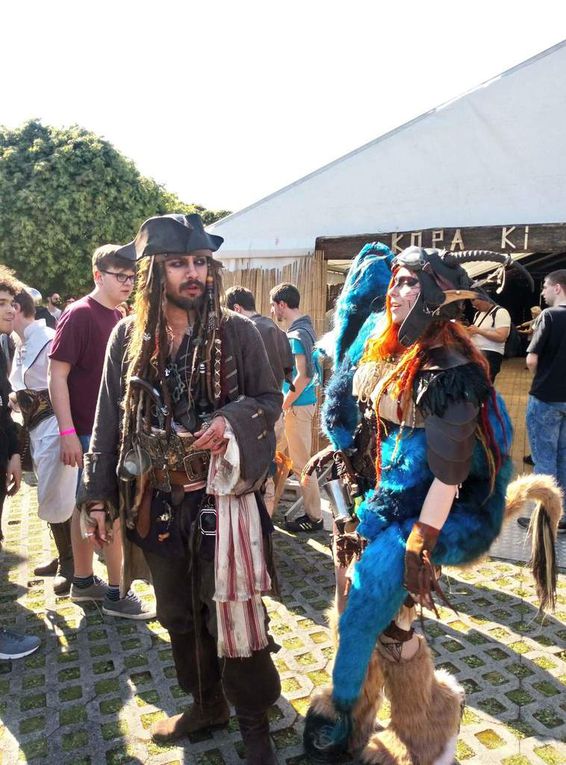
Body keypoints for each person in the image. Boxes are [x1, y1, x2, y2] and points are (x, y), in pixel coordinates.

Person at [301, 245, 558, 764]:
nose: (398, 293)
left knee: (377, 615)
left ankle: (407, 726)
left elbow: (448, 473)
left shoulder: (453, 369)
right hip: (380, 498)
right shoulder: (390, 344)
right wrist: (345, 455)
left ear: (440, 297)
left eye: (412, 284)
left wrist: (419, 543)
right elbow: (372, 419)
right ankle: (366, 722)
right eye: (396, 281)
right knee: (365, 613)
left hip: (441, 513)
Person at [77, 214, 282, 763]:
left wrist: (231, 422)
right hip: (159, 505)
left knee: (233, 613)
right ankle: (207, 705)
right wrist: (96, 496)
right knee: (179, 616)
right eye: (178, 264)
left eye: (199, 263)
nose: (193, 274)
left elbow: (268, 400)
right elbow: (107, 423)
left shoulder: (241, 333)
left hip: (224, 503)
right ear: (152, 272)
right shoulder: (128, 337)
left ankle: (255, 723)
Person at [48, 244, 152, 617]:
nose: (127, 283)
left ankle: (82, 582)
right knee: (107, 512)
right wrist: (67, 431)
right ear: (98, 275)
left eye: (131, 277)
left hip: (109, 432)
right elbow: (56, 375)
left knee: (87, 509)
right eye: (119, 276)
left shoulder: (120, 316)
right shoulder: (79, 314)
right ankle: (115, 594)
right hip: (89, 435)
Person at [10, 287, 78, 592]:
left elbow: (63, 384)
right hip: (36, 427)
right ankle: (62, 556)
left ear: (16, 307)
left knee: (59, 493)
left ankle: (72, 563)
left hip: (53, 424)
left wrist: (68, 431)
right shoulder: (20, 342)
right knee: (48, 493)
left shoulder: (48, 338)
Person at [0, 266, 41, 660]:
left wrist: (14, 453)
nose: (11, 310)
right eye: (2, 303)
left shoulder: (2, 343)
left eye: (12, 302)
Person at [226, 285, 293, 515]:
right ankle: (266, 524)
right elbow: (288, 370)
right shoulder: (276, 329)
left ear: (236, 308)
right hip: (276, 410)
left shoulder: (243, 331)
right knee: (270, 471)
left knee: (250, 476)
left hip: (250, 415)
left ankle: (255, 527)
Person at [270, 282, 322, 531]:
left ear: (282, 304)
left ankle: (314, 518)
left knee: (303, 466)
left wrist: (284, 404)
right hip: (299, 406)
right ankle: (269, 504)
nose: (272, 311)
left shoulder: (297, 335)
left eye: (273, 305)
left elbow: (304, 377)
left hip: (296, 408)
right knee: (275, 455)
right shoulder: (306, 328)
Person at [518, 270, 566, 534]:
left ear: (558, 288)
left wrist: (543, 377)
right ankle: (561, 515)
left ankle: (544, 517)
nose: (544, 293)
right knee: (563, 458)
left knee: (544, 459)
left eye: (546, 287)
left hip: (546, 397)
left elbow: (531, 360)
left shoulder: (549, 316)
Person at [466, 293, 511, 381]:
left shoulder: (500, 312)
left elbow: (501, 337)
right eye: (474, 306)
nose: (476, 307)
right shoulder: (478, 314)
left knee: (483, 386)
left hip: (490, 354)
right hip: (476, 353)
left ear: (485, 299)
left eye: (477, 305)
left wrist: (479, 331)